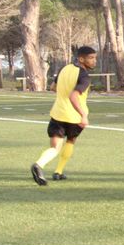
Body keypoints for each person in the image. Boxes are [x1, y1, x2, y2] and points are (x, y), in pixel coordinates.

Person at [31, 46, 97, 186]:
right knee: (70, 140)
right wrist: (83, 115)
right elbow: (74, 96)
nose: (94, 61)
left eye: (94, 58)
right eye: (91, 58)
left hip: (57, 113)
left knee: (54, 147)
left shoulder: (64, 69)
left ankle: (40, 165)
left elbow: (53, 87)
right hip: (74, 117)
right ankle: (58, 171)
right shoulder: (84, 76)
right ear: (81, 59)